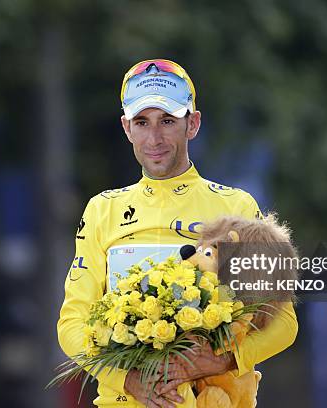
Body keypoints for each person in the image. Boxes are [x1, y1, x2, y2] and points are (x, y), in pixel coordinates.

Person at [57, 59, 298, 408]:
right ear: (126, 128)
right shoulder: (101, 209)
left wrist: (222, 360)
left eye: (167, 121)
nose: (154, 138)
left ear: (193, 123)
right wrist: (129, 380)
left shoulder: (237, 208)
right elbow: (72, 323)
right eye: (142, 122)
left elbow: (283, 322)